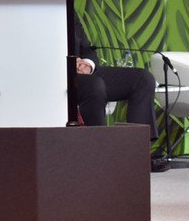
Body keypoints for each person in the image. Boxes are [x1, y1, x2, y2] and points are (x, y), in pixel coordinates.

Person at [72, 18, 169, 172]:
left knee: (143, 79)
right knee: (94, 85)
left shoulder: (69, 10)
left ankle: (138, 153)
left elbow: (88, 49)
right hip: (56, 75)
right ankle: (100, 153)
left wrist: (87, 64)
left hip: (83, 72)